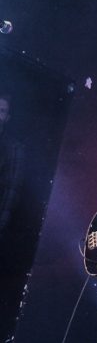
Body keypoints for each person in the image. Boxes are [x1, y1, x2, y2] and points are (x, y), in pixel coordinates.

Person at [0, 94, 25, 241]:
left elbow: (12, 190)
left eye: (2, 111)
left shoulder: (14, 148)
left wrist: (1, 222)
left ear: (7, 118)